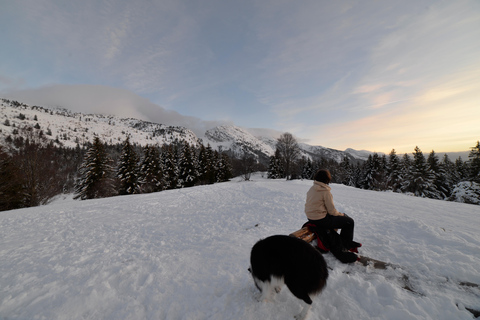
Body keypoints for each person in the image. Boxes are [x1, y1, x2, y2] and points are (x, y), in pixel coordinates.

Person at [304, 169, 361, 261]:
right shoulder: (325, 191)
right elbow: (332, 211)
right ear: (327, 180)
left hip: (311, 217)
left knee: (342, 220)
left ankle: (344, 242)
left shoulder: (312, 188)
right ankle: (344, 246)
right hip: (321, 219)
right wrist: (342, 215)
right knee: (349, 221)